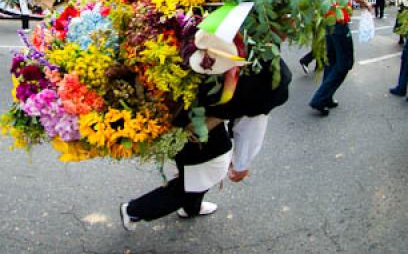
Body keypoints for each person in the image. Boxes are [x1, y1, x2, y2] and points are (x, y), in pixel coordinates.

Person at [120, 58, 291, 231]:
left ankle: (190, 208)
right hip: (193, 118)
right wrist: (241, 164)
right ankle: (133, 211)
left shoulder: (251, 55)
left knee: (195, 170)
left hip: (183, 110)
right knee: (207, 171)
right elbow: (250, 126)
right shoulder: (267, 77)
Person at [307, 0, 373, 116]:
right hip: (339, 22)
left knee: (331, 61)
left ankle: (326, 97)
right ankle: (320, 98)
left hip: (328, 22)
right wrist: (366, 4)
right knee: (345, 63)